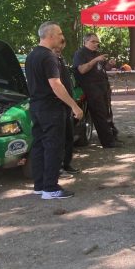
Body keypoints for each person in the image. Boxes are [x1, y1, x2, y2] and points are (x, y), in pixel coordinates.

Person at [25, 22, 84, 200]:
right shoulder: (48, 57)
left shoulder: (32, 55)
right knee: (53, 147)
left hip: (36, 106)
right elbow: (56, 86)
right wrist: (74, 105)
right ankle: (50, 188)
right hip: (51, 108)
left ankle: (40, 185)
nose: (61, 37)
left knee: (39, 145)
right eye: (59, 33)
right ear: (50, 36)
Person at [73, 33, 123, 148]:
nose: (96, 44)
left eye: (97, 42)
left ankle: (112, 137)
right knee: (99, 115)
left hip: (103, 87)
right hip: (91, 89)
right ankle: (107, 142)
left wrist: (109, 64)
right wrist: (95, 60)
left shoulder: (97, 54)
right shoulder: (80, 54)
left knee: (107, 113)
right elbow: (82, 70)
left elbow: (104, 68)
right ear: (86, 42)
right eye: (93, 42)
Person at [53, 37, 81, 177]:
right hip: (57, 106)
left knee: (69, 136)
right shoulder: (50, 61)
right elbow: (56, 85)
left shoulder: (60, 60)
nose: (59, 49)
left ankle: (66, 163)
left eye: (61, 47)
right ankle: (58, 168)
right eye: (57, 47)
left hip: (67, 106)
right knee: (58, 139)